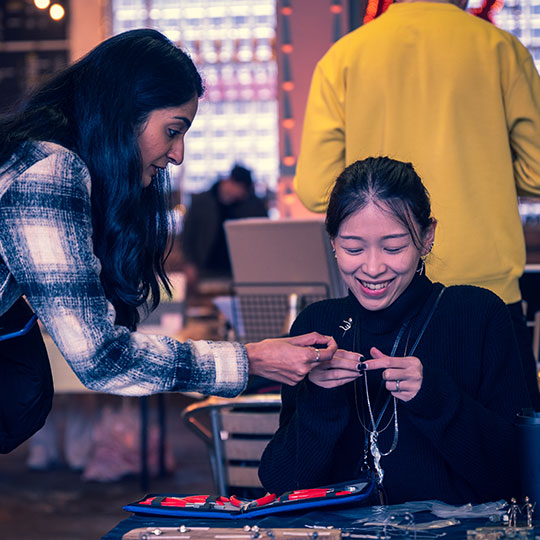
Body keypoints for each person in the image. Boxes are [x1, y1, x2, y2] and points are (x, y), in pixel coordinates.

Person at [0, 29, 337, 451]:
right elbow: (101, 359)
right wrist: (250, 360)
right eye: (173, 130)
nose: (178, 154)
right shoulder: (51, 172)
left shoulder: (34, 158)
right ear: (123, 115)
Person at [292, 0, 540, 408]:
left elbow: (316, 189)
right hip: (489, 296)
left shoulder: (344, 57)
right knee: (512, 456)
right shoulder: (500, 49)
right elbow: (535, 174)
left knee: (387, 456)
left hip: (385, 302)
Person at [259, 157, 530, 505]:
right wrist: (321, 401)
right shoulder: (317, 327)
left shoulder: (477, 315)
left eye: (394, 248)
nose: (373, 268)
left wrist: (436, 398)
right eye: (353, 248)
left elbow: (517, 476)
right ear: (332, 242)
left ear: (427, 237)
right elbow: (281, 487)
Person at [181, 164, 267, 289]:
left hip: (240, 272)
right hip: (206, 269)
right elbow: (187, 236)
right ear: (230, 181)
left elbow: (262, 238)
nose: (242, 194)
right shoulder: (201, 202)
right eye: (241, 189)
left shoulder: (254, 206)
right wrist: (189, 263)